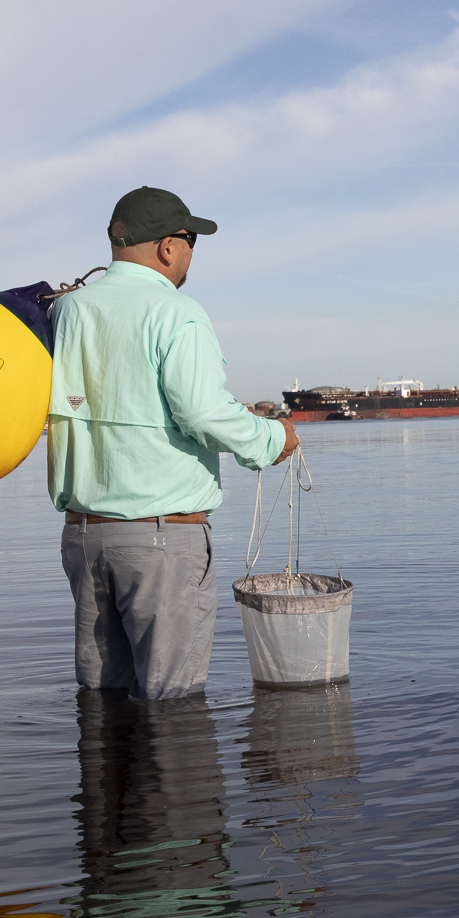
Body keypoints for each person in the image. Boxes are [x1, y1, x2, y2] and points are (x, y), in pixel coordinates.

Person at [50, 186, 299, 700]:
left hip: (84, 538)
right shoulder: (176, 313)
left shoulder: (65, 312)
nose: (189, 254)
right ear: (167, 247)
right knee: (173, 706)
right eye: (190, 241)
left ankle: (100, 782)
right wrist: (272, 438)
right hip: (159, 540)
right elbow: (202, 413)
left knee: (101, 702)